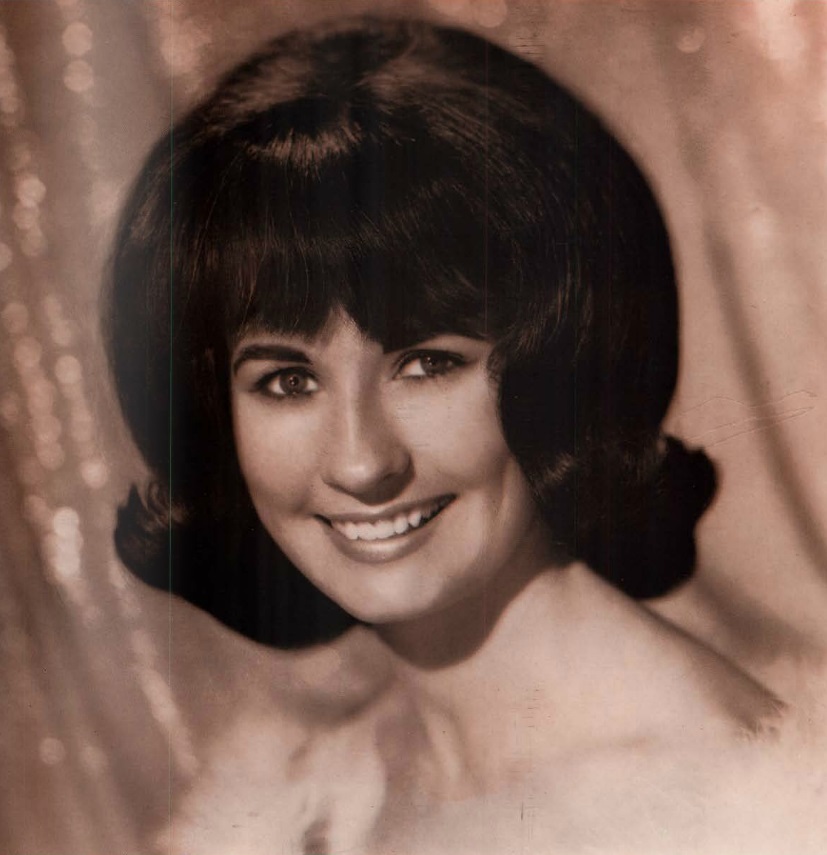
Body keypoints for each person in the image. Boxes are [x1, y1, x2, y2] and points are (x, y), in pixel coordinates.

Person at [104, 16, 813, 854]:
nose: (361, 461)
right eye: (287, 381)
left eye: (426, 363)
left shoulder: (727, 812)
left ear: (561, 368)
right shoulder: (308, 795)